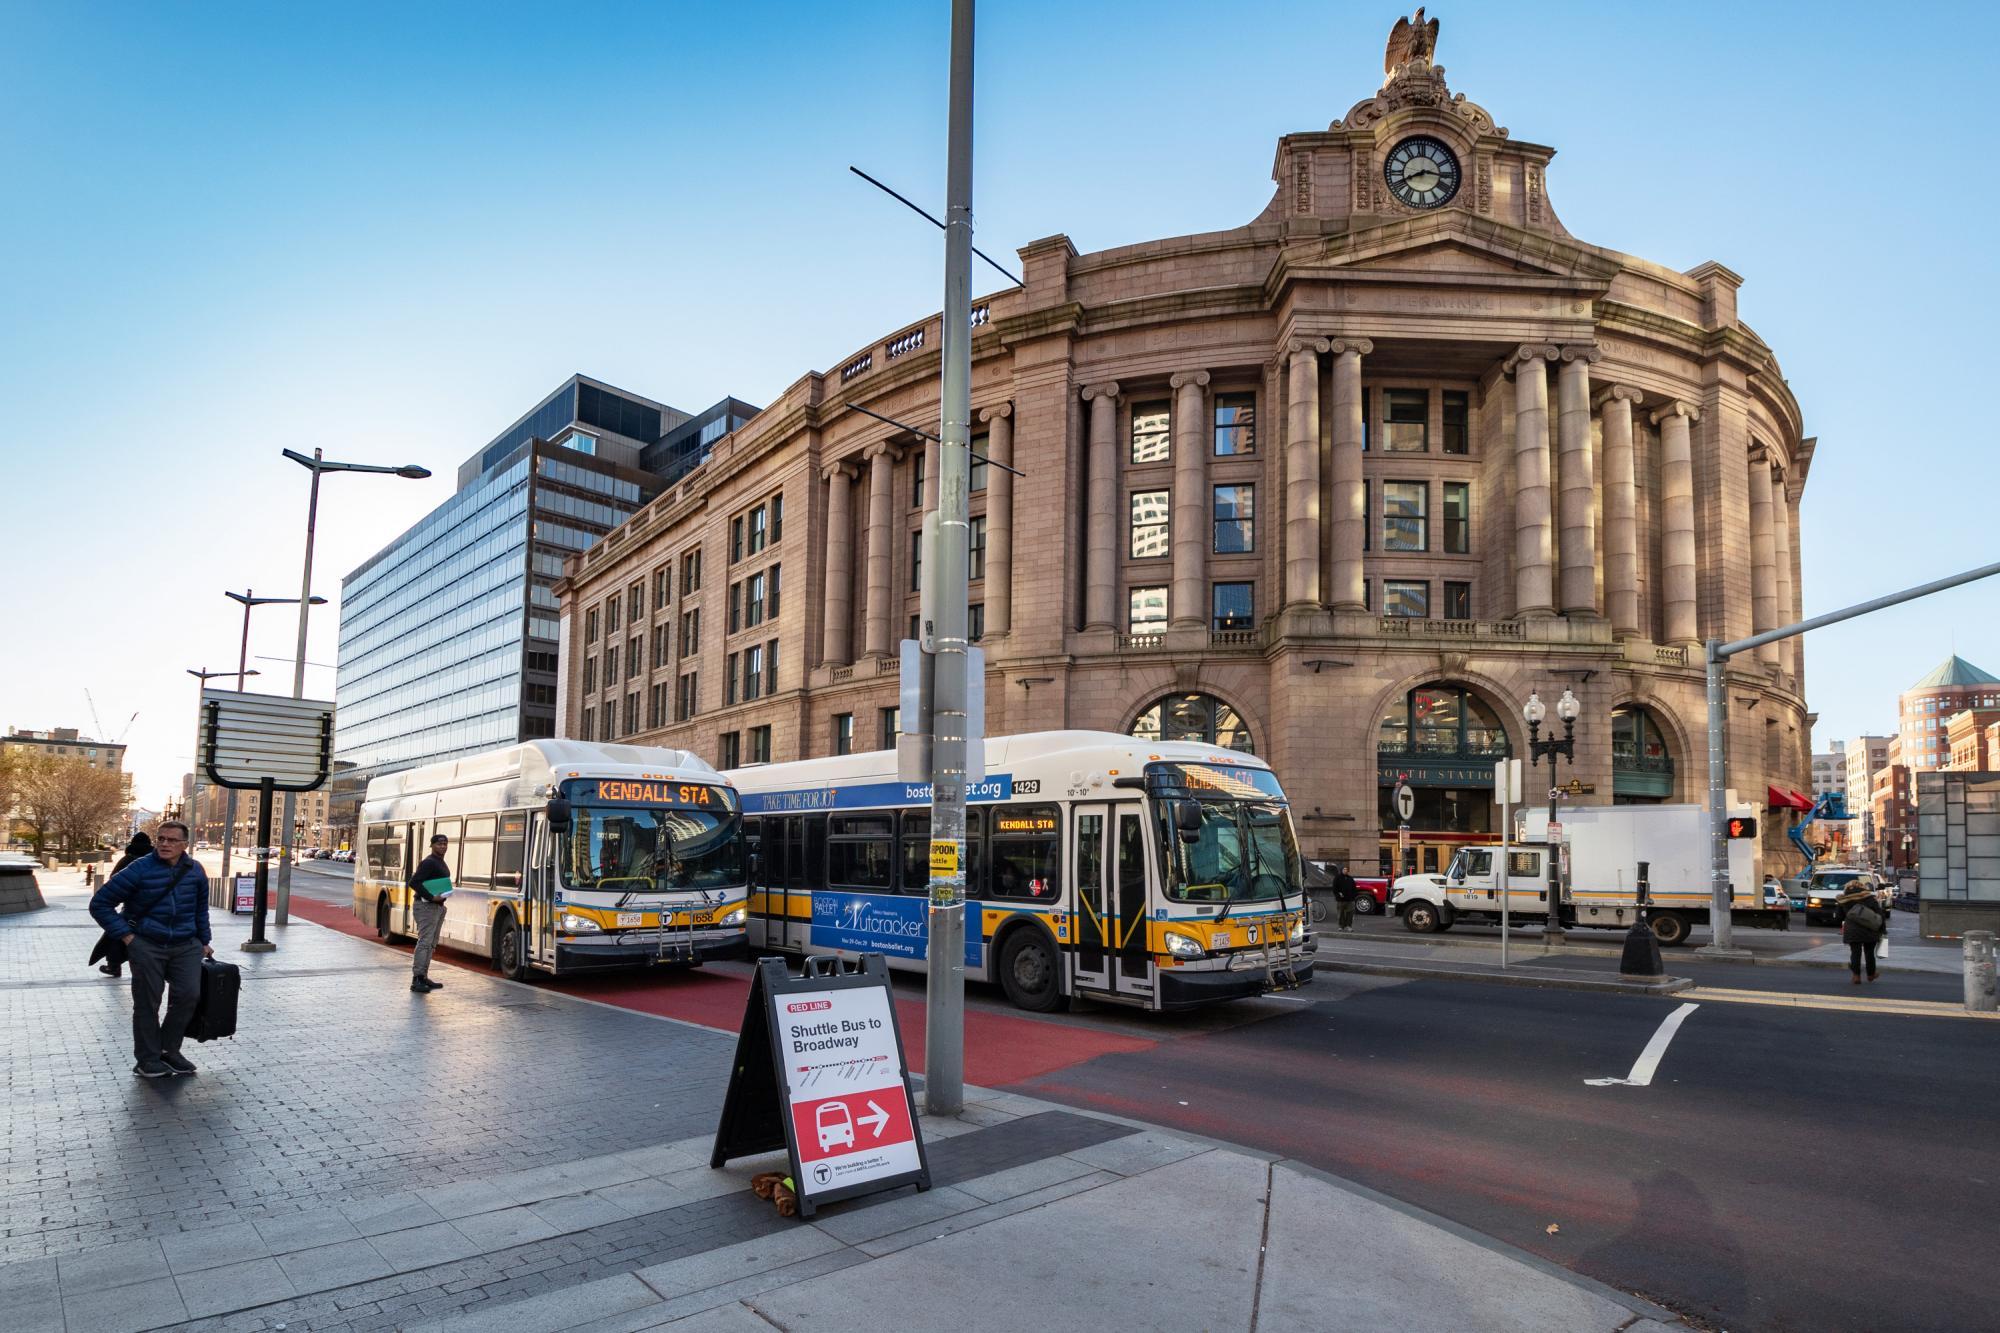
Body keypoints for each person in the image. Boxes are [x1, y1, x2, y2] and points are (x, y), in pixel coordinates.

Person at [88, 820, 212, 1078]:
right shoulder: (139, 869)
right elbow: (100, 903)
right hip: (147, 943)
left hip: (187, 943)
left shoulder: (196, 871)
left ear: (184, 844)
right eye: (161, 839)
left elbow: (200, 909)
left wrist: (204, 941)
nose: (165, 844)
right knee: (147, 1002)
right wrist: (127, 937)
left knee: (189, 996)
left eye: (172, 840)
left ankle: (169, 1049)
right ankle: (147, 1059)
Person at [89, 831, 155, 978]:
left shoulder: (128, 859)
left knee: (115, 936)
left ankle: (113, 966)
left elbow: (114, 879)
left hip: (131, 908)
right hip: (153, 908)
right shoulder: (154, 860)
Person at [406, 832, 452, 993]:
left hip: (437, 908)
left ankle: (423, 976)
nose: (443, 846)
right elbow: (414, 882)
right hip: (426, 906)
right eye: (439, 844)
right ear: (432, 846)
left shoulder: (439, 862)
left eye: (445, 844)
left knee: (431, 943)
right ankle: (417, 978)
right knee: (425, 942)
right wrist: (432, 897)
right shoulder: (429, 862)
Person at [1837, 877, 1886, 984]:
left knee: (1855, 953)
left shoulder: (1844, 899)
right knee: (1869, 953)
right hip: (1870, 928)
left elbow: (1839, 916)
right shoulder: (1868, 897)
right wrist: (1883, 929)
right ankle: (1871, 974)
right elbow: (1879, 914)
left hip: (1852, 930)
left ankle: (1856, 976)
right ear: (1862, 887)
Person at [1331, 862, 1359, 933]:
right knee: (1341, 913)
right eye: (1344, 869)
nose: (1345, 871)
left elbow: (1354, 888)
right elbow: (1334, 888)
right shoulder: (1337, 878)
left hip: (1350, 899)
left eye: (1346, 869)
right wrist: (1338, 895)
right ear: (1341, 870)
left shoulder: (1350, 878)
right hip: (1341, 900)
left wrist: (1353, 896)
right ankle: (1341, 926)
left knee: (1350, 913)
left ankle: (1349, 926)